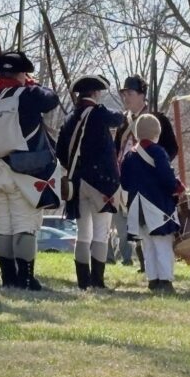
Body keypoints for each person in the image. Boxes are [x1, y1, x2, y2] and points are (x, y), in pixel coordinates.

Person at [0, 52, 61, 291]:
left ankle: (8, 278)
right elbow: (52, 99)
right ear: (22, 74)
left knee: (2, 226)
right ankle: (26, 278)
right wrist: (32, 84)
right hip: (23, 172)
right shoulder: (29, 94)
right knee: (24, 225)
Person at [57, 74, 126, 290]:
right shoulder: (98, 112)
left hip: (77, 183)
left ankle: (83, 282)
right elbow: (119, 119)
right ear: (95, 93)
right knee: (100, 233)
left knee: (83, 234)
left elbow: (61, 153)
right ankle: (97, 281)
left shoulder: (70, 118)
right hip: (100, 184)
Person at [113, 75, 178, 268]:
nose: (126, 97)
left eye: (130, 93)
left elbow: (172, 148)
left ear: (142, 95)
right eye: (124, 94)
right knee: (137, 222)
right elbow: (117, 150)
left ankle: (160, 271)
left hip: (153, 183)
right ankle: (147, 266)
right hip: (130, 180)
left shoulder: (157, 119)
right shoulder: (123, 122)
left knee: (155, 227)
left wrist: (156, 167)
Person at [119, 114, 185, 293]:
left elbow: (124, 183)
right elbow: (167, 179)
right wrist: (178, 187)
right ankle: (165, 280)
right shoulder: (158, 152)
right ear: (157, 133)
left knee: (148, 245)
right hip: (158, 207)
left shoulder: (129, 156)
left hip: (137, 208)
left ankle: (153, 280)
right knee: (163, 244)